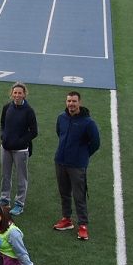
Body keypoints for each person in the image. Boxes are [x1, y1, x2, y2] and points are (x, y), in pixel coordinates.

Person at [53, 91, 101, 241]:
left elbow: (95, 143)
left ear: (79, 102)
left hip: (77, 165)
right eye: (69, 101)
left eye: (74, 101)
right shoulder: (61, 117)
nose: (71, 104)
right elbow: (59, 133)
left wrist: (82, 155)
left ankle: (83, 225)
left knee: (79, 196)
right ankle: (66, 219)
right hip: (60, 161)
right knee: (64, 193)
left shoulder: (88, 122)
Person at [0, 82, 38, 216]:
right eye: (15, 93)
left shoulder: (29, 111)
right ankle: (4, 201)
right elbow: (2, 123)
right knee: (5, 176)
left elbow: (34, 131)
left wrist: (21, 141)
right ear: (11, 93)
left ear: (24, 94)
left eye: (19, 93)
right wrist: (3, 136)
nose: (17, 95)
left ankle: (19, 204)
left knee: (21, 178)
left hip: (20, 151)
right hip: (6, 148)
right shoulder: (7, 107)